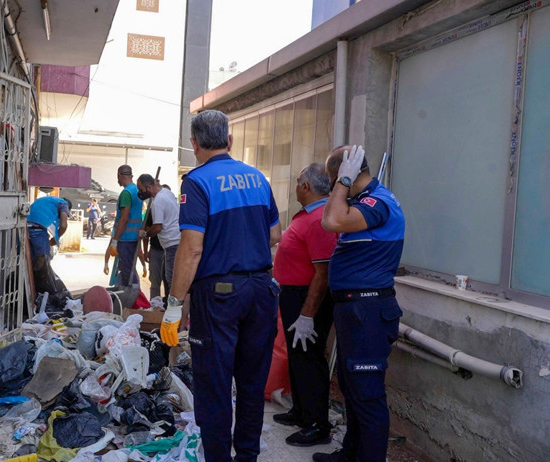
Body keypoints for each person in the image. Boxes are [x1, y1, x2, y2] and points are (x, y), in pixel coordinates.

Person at [163, 110, 282, 462]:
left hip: (219, 297)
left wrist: (173, 305)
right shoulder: (257, 178)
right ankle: (247, 457)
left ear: (194, 144)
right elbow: (275, 234)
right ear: (229, 141)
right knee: (250, 384)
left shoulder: (197, 182)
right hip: (262, 290)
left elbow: (191, 248)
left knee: (214, 386)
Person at [313, 145, 405, 462]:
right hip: (355, 310)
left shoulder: (377, 203)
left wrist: (343, 180)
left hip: (368, 310)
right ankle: (351, 453)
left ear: (346, 174)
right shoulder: (362, 203)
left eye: (333, 179)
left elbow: (331, 220)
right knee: (352, 388)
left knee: (366, 393)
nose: (332, 187)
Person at [271, 163, 338, 447]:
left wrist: (308, 313)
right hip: (292, 295)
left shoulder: (321, 218)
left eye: (298, 182)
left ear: (307, 187)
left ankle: (317, 424)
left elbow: (322, 273)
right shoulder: (307, 214)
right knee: (298, 357)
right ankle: (301, 411)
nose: (296, 186)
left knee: (309, 358)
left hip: (307, 298)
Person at [137, 174, 180, 300]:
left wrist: (145, 234)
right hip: (175, 241)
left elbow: (157, 227)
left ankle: (175, 309)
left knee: (171, 278)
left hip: (172, 243)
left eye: (141, 189)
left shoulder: (158, 202)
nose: (140, 193)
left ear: (149, 187)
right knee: (167, 277)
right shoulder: (166, 192)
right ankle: (168, 304)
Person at [26, 196, 71, 299]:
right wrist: (56, 239)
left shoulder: (49, 200)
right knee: (43, 266)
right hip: (38, 230)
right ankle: (43, 296)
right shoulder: (63, 204)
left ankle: (32, 293)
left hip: (25, 229)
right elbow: (63, 226)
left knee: (30, 264)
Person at [108, 165, 143, 287]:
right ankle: (133, 294)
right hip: (135, 239)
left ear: (120, 175)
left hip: (126, 239)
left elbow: (124, 219)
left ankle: (132, 298)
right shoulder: (137, 191)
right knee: (130, 269)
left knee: (127, 272)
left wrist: (115, 240)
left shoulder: (126, 193)